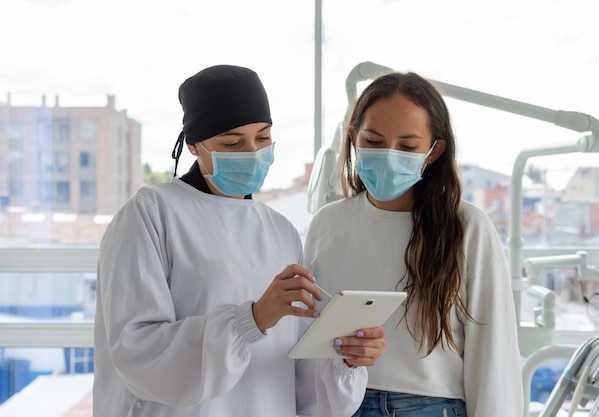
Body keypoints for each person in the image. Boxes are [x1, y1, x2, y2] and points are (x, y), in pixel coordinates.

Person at [93, 64, 387, 417]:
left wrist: (346, 357)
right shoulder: (150, 214)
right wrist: (252, 319)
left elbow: (297, 379)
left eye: (262, 138)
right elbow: (137, 352)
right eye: (232, 143)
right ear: (193, 145)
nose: (252, 152)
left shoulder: (281, 231)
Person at [303, 70, 523, 417]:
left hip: (431, 406)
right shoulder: (327, 224)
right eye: (373, 142)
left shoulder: (467, 227)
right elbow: (310, 341)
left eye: (407, 147)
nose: (388, 156)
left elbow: (494, 354)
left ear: (434, 151)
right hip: (340, 404)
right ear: (352, 137)